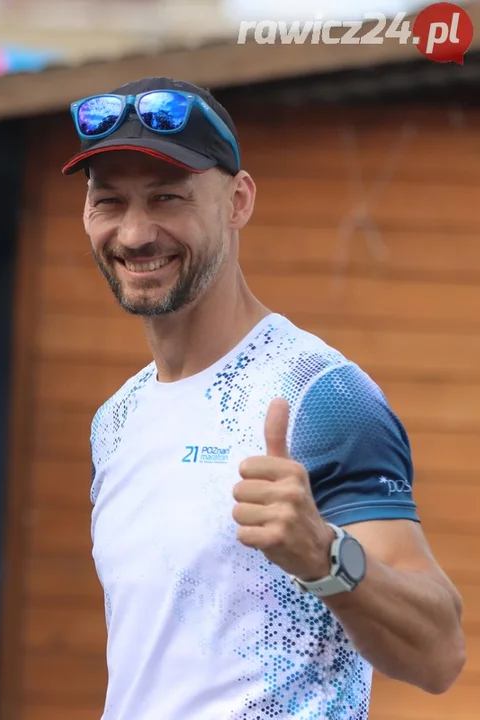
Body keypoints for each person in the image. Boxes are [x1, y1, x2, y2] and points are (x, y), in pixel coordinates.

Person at [63, 77, 466, 719]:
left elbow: (440, 653)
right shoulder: (116, 420)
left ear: (238, 200)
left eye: (168, 198)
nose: (136, 233)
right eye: (109, 202)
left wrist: (323, 554)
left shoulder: (318, 394)